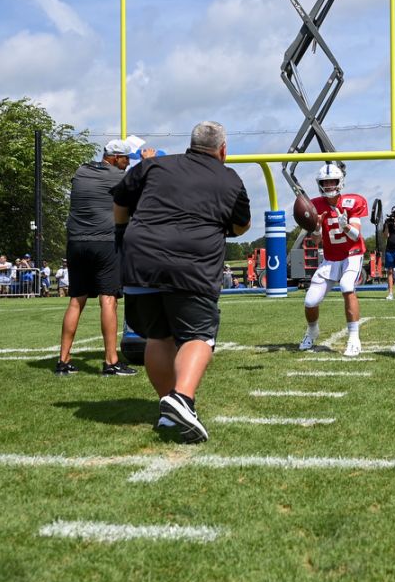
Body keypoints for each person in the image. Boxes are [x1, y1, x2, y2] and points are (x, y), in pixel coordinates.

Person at [111, 122, 250, 444]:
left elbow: (120, 199)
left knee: (158, 336)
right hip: (192, 262)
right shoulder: (228, 178)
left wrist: (120, 233)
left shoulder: (154, 165)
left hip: (140, 257)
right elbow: (242, 226)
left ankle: (167, 411)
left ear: (191, 144)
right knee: (199, 335)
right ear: (223, 150)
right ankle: (182, 399)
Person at [56, 139, 139, 377]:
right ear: (114, 158)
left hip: (75, 242)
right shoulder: (118, 177)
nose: (127, 163)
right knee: (108, 300)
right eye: (126, 159)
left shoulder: (81, 171)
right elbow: (137, 190)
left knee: (76, 300)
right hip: (104, 242)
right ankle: (111, 361)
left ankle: (63, 361)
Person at [298, 163, 369, 357]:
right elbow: (316, 240)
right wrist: (317, 229)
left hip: (352, 254)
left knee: (347, 285)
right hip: (330, 258)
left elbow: (356, 236)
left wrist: (345, 226)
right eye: (325, 182)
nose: (329, 185)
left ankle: (354, 338)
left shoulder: (353, 202)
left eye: (332, 181)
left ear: (340, 182)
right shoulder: (315, 205)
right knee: (310, 301)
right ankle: (312, 331)